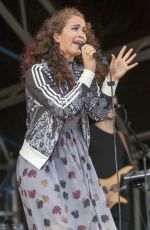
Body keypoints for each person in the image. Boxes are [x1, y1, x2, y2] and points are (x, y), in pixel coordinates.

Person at [16, 7, 138, 230]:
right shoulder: (38, 73)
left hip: (76, 159)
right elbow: (63, 108)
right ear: (56, 36)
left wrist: (111, 78)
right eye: (75, 28)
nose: (82, 34)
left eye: (84, 30)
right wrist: (90, 72)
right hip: (41, 161)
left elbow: (99, 112)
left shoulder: (84, 75)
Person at [89, 97, 134, 229]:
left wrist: (120, 186)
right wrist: (98, 192)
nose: (112, 107)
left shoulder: (122, 136)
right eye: (108, 103)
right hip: (95, 203)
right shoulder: (89, 133)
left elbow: (129, 167)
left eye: (114, 104)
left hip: (119, 204)